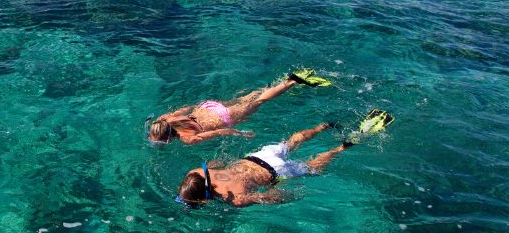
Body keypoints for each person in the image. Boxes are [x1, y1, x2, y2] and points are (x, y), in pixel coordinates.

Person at [173, 109, 394, 208]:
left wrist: (285, 195)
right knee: (291, 142)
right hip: (258, 157)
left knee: (311, 167)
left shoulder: (236, 200)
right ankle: (324, 125)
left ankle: (344, 146)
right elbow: (217, 163)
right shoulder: (197, 172)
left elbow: (271, 198)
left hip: (275, 173)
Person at [147, 69, 332, 145]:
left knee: (260, 102)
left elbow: (218, 133)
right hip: (208, 107)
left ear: (168, 139)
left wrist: (241, 133)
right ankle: (275, 85)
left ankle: (291, 82)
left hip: (223, 118)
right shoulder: (163, 119)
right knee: (247, 99)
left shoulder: (188, 139)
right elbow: (186, 108)